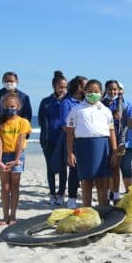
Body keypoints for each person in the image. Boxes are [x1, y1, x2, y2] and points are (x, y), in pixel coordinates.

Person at [66, 79, 118, 208]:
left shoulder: (106, 110)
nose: (93, 94)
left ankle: (103, 209)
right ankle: (86, 210)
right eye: (89, 91)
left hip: (103, 147)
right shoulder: (77, 109)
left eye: (96, 91)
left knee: (102, 181)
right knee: (86, 181)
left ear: (101, 93)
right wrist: (70, 152)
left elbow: (111, 132)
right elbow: (70, 132)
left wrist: (115, 152)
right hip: (84, 147)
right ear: (84, 92)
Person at [0, 93, 31, 226]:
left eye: (12, 106)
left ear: (18, 106)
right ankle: (5, 216)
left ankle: (13, 216)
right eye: (7, 106)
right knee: (5, 186)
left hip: (17, 155)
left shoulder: (23, 122)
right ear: (3, 107)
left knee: (15, 186)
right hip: (3, 155)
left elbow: (21, 141)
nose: (10, 109)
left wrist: (17, 159)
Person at [38, 70, 68, 206]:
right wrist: (45, 138)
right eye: (60, 87)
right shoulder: (45, 102)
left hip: (64, 140)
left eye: (65, 87)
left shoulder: (68, 102)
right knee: (50, 168)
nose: (63, 89)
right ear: (54, 86)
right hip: (48, 140)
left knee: (63, 168)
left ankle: (61, 193)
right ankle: (52, 193)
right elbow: (40, 120)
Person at [57, 75, 87, 208]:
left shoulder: (86, 102)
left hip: (87, 141)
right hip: (73, 141)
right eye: (86, 86)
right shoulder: (67, 103)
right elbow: (65, 124)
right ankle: (72, 198)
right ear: (79, 87)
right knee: (74, 170)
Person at [102, 79, 126, 203]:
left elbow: (126, 125)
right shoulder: (101, 103)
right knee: (105, 171)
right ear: (106, 90)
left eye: (115, 89)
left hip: (119, 142)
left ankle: (116, 196)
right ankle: (105, 196)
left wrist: (122, 143)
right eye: (110, 89)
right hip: (104, 141)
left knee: (116, 169)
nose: (112, 91)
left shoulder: (122, 104)